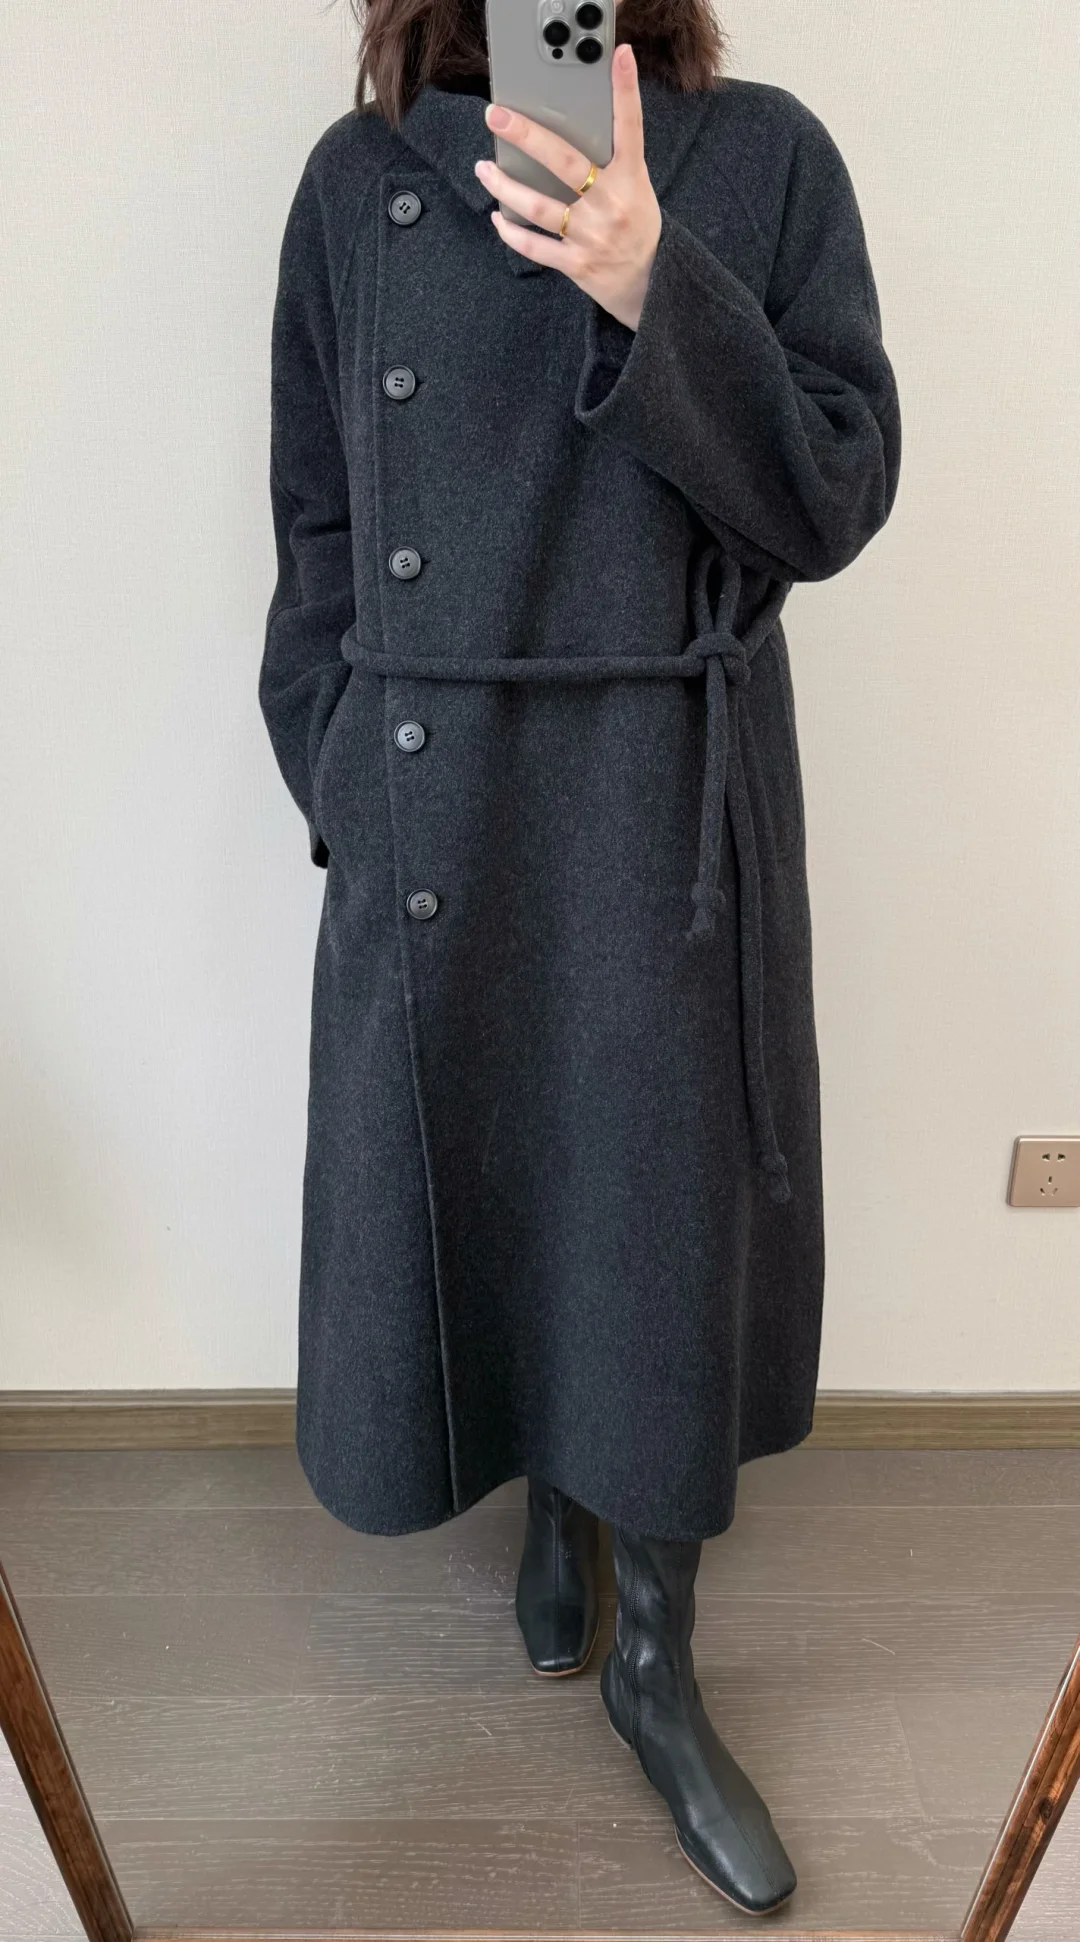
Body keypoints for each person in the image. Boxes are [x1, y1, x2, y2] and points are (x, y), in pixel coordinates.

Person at [259, 0, 901, 1913]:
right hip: (436, 796)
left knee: (656, 1216)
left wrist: (651, 284)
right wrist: (339, 771)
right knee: (499, 1180)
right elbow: (314, 530)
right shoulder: (356, 185)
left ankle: (655, 1660)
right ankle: (554, 1511)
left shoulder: (764, 157)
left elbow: (833, 493)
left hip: (658, 802)